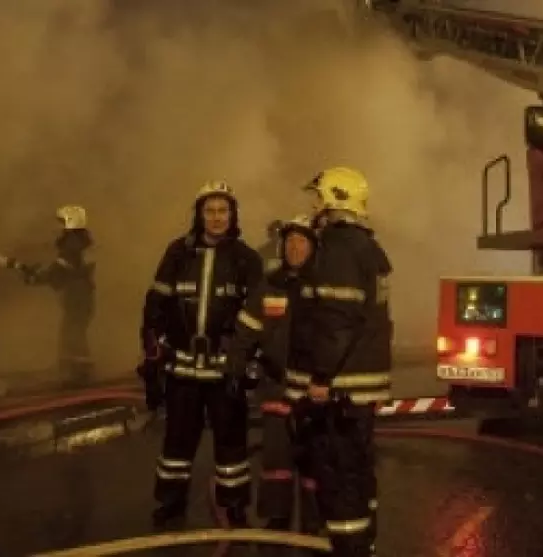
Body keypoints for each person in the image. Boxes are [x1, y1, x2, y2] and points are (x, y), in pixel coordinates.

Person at [139, 180, 264, 528]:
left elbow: (259, 315)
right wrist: (151, 353)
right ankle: (170, 502)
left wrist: (248, 361)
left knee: (231, 444)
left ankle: (234, 505)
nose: (217, 217)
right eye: (210, 211)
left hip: (226, 371)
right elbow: (156, 304)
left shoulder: (246, 259)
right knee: (177, 442)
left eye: (223, 211)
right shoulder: (177, 253)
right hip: (182, 369)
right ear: (199, 215)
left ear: (233, 215)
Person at [302, 166, 393, 557]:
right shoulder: (367, 247)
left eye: (317, 197)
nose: (313, 206)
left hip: (343, 386)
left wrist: (322, 377)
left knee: (339, 473)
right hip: (362, 384)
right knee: (358, 468)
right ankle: (364, 539)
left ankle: (349, 547)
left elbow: (336, 322)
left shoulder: (338, 249)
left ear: (333, 199)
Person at [225, 214, 327, 535]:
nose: (294, 248)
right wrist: (235, 369)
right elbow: (246, 330)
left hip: (312, 389)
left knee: (314, 460)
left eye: (302, 242)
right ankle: (276, 517)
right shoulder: (270, 286)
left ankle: (315, 522)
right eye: (290, 242)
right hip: (276, 385)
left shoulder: (324, 287)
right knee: (276, 457)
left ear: (314, 247)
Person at [0, 206, 95, 387]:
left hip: (77, 297)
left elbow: (59, 272)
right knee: (73, 331)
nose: (59, 227)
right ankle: (75, 371)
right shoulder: (80, 243)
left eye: (62, 222)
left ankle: (78, 375)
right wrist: (35, 274)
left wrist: (35, 276)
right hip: (80, 296)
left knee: (72, 332)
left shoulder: (72, 244)